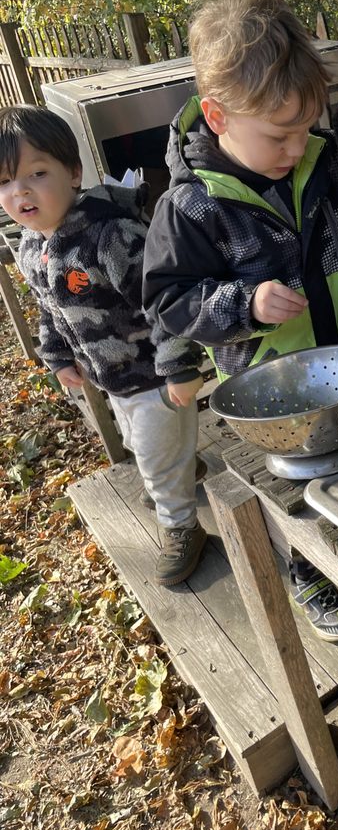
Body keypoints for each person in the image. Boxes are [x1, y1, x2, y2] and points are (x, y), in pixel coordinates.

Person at [141, 0, 338, 642]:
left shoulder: (317, 152)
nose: (295, 147)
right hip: (264, 386)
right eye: (278, 135)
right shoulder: (191, 207)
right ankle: (303, 566)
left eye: (305, 128)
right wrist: (244, 306)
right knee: (286, 488)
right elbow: (170, 300)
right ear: (218, 115)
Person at [0, 105, 207, 587]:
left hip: (155, 374)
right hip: (113, 377)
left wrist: (179, 365)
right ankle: (182, 466)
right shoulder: (33, 245)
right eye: (6, 182)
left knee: (154, 457)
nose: (21, 191)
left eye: (37, 173)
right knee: (138, 443)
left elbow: (162, 297)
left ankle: (181, 526)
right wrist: (56, 355)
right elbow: (49, 306)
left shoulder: (110, 235)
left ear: (74, 173)